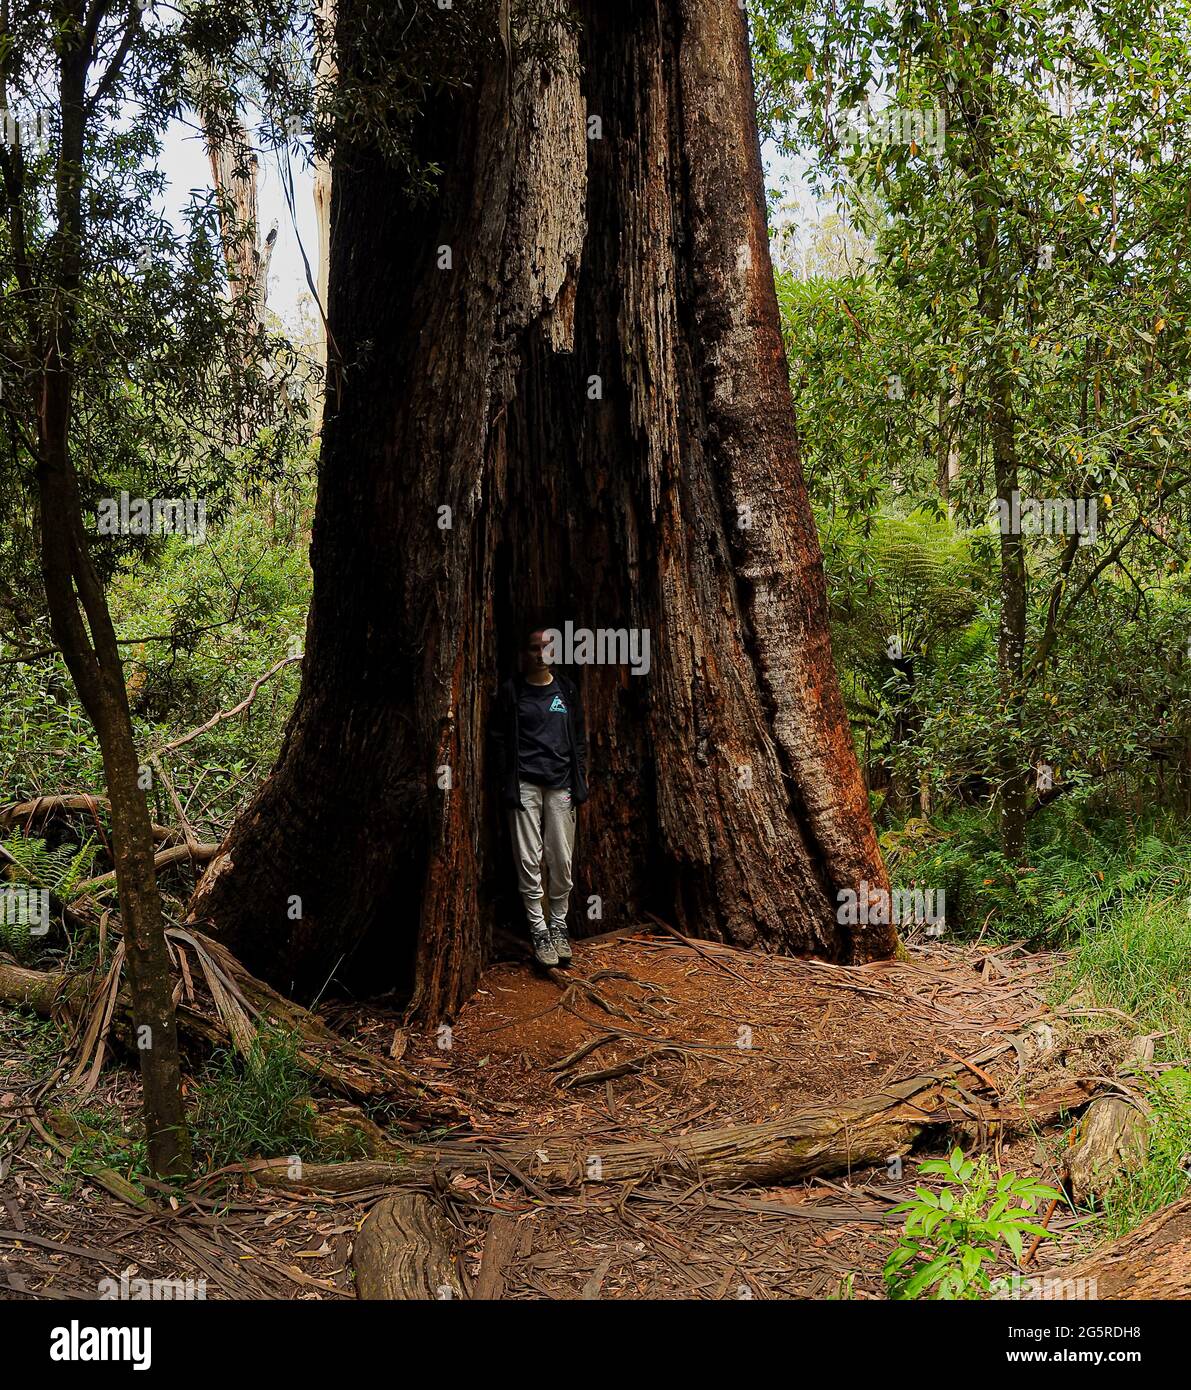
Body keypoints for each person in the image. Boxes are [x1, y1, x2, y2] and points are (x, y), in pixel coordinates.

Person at [491, 626, 589, 966]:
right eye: (535, 647)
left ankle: (559, 924)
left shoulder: (567, 690)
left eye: (548, 646)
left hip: (561, 784)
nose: (541, 652)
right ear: (525, 653)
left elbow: (578, 738)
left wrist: (580, 779)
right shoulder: (512, 692)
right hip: (525, 785)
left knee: (561, 859)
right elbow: (500, 737)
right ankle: (539, 930)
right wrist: (508, 779)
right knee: (528, 860)